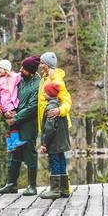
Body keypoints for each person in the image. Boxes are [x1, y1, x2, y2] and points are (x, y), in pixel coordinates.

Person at [0, 56, 41, 196]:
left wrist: (16, 117)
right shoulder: (18, 80)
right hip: (14, 121)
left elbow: (33, 107)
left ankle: (32, 186)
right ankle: (11, 184)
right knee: (13, 152)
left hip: (28, 124)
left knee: (29, 153)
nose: (20, 70)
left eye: (24, 68)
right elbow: (6, 96)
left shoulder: (37, 84)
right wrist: (5, 113)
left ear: (31, 71)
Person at [37, 52, 72, 198]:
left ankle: (56, 189)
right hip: (50, 124)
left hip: (54, 125)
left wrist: (59, 110)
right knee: (60, 157)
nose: (40, 65)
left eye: (42, 63)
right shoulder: (46, 78)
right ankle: (64, 189)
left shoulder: (56, 80)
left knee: (54, 158)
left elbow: (67, 100)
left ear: (48, 64)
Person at [0, 59, 26, 152]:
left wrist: (33, 74)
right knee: (13, 122)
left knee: (9, 124)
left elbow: (20, 76)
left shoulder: (13, 76)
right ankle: (15, 142)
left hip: (12, 103)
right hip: (5, 105)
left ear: (6, 69)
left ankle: (9, 146)